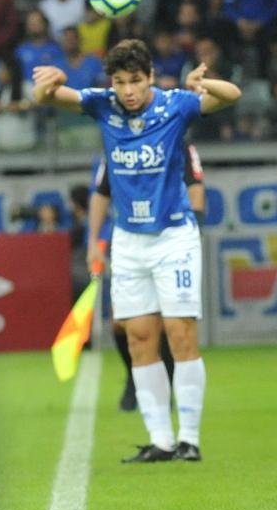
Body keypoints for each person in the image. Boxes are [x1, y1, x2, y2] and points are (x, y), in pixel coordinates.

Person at [33, 41, 240, 464]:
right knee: (140, 338)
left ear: (149, 77)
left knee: (181, 335)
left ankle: (191, 439)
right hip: (128, 240)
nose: (127, 91)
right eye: (120, 82)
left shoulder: (175, 105)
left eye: (135, 81)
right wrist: (47, 85)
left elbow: (230, 97)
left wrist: (203, 83)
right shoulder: (102, 104)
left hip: (172, 236)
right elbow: (48, 97)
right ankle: (161, 439)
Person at [89, 141, 206, 411]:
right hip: (131, 243)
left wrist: (194, 229)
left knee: (170, 322)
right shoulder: (117, 140)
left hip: (171, 243)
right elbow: (101, 191)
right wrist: (93, 240)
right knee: (122, 322)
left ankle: (167, 383)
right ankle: (134, 375)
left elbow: (196, 185)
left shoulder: (177, 138)